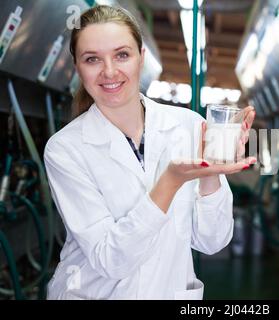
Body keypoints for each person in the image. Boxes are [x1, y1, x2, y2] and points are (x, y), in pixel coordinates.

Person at [44, 5, 256, 300]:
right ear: (77, 67)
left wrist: (212, 174)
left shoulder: (190, 126)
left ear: (141, 57)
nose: (109, 71)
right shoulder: (65, 148)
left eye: (122, 55)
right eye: (92, 59)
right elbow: (110, 259)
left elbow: (212, 241)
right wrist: (170, 182)